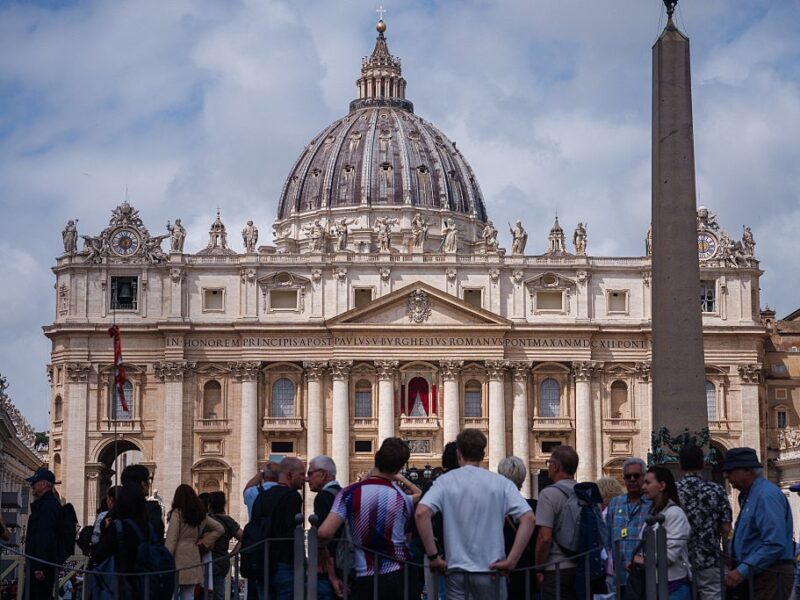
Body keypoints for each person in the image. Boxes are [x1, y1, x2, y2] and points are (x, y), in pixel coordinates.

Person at [417, 430, 534, 600]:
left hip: (456, 571)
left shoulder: (445, 481)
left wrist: (433, 556)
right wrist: (511, 561)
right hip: (491, 571)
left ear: (459, 454)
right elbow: (528, 518)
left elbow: (421, 513)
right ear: (483, 454)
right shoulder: (500, 482)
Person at [318, 438, 416, 600]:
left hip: (366, 576)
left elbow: (324, 533)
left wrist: (322, 552)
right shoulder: (403, 498)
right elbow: (407, 538)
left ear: (376, 456)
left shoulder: (349, 493)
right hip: (401, 575)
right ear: (400, 467)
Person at [723, 447, 794, 599]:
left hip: (771, 574)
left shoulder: (765, 496)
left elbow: (774, 542)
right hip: (758, 573)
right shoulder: (750, 495)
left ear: (748, 471)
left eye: (731, 471)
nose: (727, 476)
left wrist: (742, 571)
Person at [675, 444, 731, 600]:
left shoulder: (672, 491)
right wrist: (727, 557)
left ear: (680, 465)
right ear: (703, 463)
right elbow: (726, 528)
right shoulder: (717, 490)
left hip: (680, 561)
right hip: (710, 559)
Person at [633, 466, 691, 600]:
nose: (643, 487)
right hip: (654, 585)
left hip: (673, 587)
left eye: (648, 483)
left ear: (662, 485)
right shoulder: (655, 512)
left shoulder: (675, 514)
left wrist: (642, 560)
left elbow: (669, 555)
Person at [252, 457, 305, 600]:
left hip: (262, 563)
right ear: (289, 475)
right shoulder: (293, 497)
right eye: (301, 474)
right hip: (284, 563)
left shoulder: (261, 496)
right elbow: (291, 531)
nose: (304, 479)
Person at [90, 482, 151, 597]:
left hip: (119, 576)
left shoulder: (117, 525)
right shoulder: (147, 524)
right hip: (141, 577)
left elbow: (101, 553)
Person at [534, 445, 580, 600]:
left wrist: (538, 569)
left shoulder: (548, 494)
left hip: (557, 569)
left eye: (549, 463)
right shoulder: (585, 493)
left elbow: (544, 538)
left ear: (556, 466)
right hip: (583, 568)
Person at [165, 484, 225, 600]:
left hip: (178, 557)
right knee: (189, 595)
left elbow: (171, 539)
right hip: (193, 555)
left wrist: (166, 558)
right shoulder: (201, 514)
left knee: (172, 594)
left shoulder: (177, 513)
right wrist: (204, 541)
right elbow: (219, 528)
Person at [606, 457, 651, 596]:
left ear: (644, 477)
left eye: (636, 476)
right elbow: (608, 535)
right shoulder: (615, 503)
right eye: (628, 476)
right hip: (619, 576)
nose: (632, 479)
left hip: (645, 574)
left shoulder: (652, 503)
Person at [498, 456, 538, 600]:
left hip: (499, 572)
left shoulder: (493, 508)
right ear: (523, 478)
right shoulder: (535, 507)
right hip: (527, 573)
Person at [307, 456, 342, 600]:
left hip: (328, 568)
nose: (307, 479)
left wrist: (331, 574)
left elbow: (324, 537)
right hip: (344, 562)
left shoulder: (323, 497)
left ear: (323, 474)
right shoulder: (342, 493)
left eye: (310, 474)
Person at [25, 468, 61, 600]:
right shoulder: (47, 504)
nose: (32, 486)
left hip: (39, 568)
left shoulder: (47, 506)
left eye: (34, 482)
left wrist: (40, 566)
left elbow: (44, 537)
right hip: (39, 565)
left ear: (43, 484)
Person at [208, 492, 243, 600]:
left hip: (209, 560)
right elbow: (244, 537)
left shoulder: (208, 520)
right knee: (219, 592)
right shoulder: (228, 521)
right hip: (222, 560)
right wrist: (231, 554)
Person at [120, 464, 164, 543]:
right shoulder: (152, 509)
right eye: (148, 480)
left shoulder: (115, 512)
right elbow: (158, 536)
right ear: (143, 484)